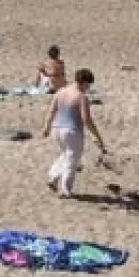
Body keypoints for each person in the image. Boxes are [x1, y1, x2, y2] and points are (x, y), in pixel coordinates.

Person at [42, 69, 105, 197]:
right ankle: (65, 187)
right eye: (88, 85)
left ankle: (54, 176)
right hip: (72, 131)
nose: (88, 88)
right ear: (83, 83)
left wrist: (47, 127)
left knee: (65, 154)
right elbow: (86, 119)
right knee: (72, 158)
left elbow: (51, 111)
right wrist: (96, 135)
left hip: (57, 128)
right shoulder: (81, 97)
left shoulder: (61, 92)